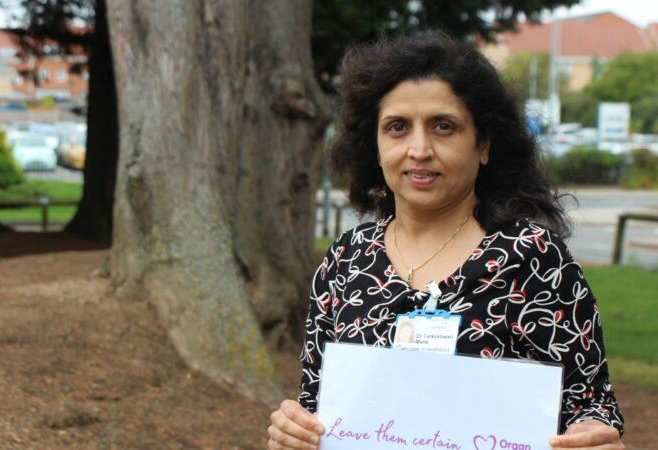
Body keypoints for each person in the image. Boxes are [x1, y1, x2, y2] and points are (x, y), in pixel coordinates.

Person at [266, 32, 625, 450]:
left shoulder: (533, 258)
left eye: (443, 126)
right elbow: (317, 405)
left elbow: (589, 403)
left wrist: (594, 438)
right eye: (397, 127)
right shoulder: (346, 259)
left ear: (484, 144)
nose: (419, 149)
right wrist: (292, 435)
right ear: (376, 147)